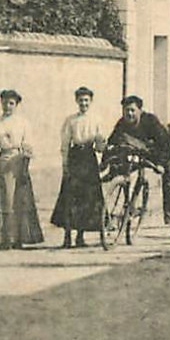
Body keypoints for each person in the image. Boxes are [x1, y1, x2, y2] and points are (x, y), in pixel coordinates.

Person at [107, 96, 170, 243]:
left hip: (164, 155)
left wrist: (160, 164)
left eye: (133, 110)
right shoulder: (122, 123)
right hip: (140, 153)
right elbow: (112, 142)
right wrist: (107, 161)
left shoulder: (151, 121)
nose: (129, 114)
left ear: (140, 110)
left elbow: (165, 145)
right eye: (126, 111)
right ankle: (121, 212)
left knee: (169, 186)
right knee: (120, 170)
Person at [51, 87, 107, 248]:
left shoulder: (96, 119)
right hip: (75, 158)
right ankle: (67, 236)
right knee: (69, 197)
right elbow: (65, 144)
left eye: (86, 100)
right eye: (81, 100)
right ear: (76, 101)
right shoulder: (70, 120)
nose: (83, 103)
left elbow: (100, 144)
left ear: (91, 101)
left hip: (89, 159)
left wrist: (100, 145)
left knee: (87, 198)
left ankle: (80, 236)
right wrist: (65, 164)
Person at [0, 89, 43, 249]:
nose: (7, 106)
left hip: (19, 162)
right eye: (5, 102)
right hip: (3, 161)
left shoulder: (23, 123)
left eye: (11, 103)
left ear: (17, 105)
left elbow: (28, 144)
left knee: (19, 200)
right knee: (5, 200)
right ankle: (6, 238)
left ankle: (20, 237)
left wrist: (25, 161)